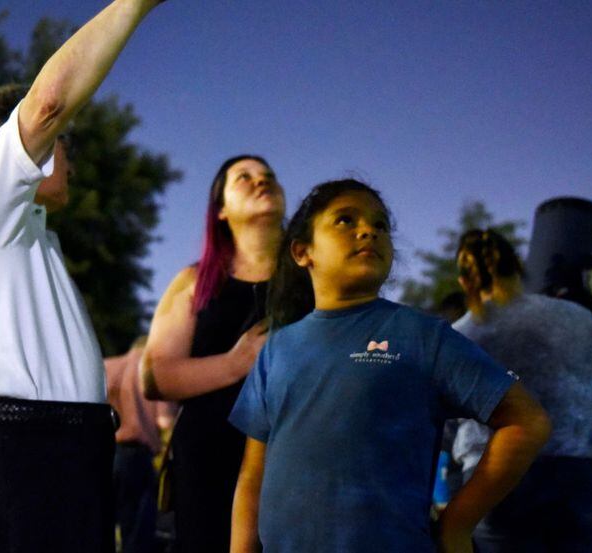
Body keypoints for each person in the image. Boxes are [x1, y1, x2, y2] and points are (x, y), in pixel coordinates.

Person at [0, 1, 167, 551]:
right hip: (16, 462)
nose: (71, 161)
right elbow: (49, 102)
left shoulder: (17, 231)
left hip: (50, 463)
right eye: (66, 143)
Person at [229, 180, 551, 553]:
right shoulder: (277, 349)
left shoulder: (422, 336)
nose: (369, 231)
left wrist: (458, 524)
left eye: (380, 225)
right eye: (345, 220)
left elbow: (526, 421)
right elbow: (253, 473)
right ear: (303, 252)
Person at [451, 229, 592, 553]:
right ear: (518, 269)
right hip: (585, 482)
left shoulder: (456, 336)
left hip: (492, 485)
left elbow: (439, 429)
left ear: (463, 281)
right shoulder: (579, 320)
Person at [141, 155, 284, 552]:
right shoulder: (194, 280)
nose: (261, 182)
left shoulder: (315, 279)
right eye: (244, 178)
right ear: (220, 210)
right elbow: (153, 377)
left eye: (269, 177)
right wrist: (236, 362)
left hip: (296, 463)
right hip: (209, 466)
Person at [105, 337, 176, 553]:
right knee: (135, 530)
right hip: (136, 458)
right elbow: (165, 421)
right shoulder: (152, 373)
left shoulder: (107, 366)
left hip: (103, 454)